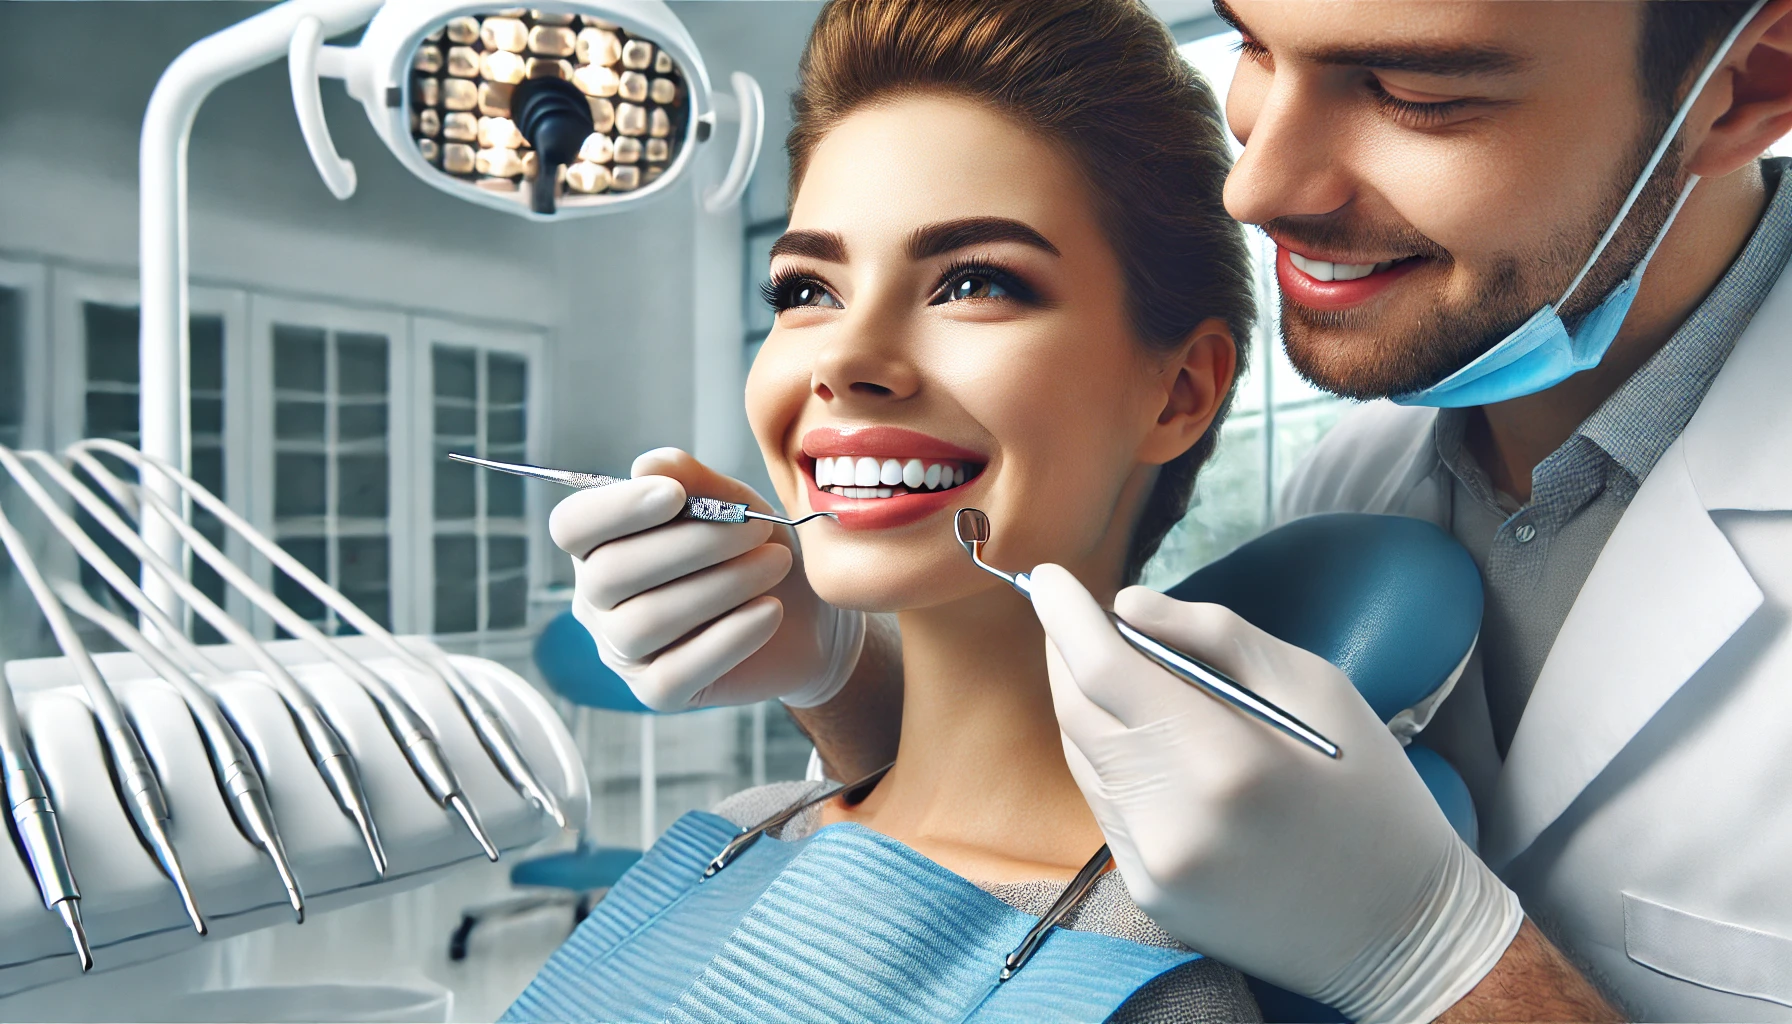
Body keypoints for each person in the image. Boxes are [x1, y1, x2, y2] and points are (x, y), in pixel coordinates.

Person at [553, 0, 1792, 1020]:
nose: (1256, 186)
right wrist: (852, 684)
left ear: (1745, 87)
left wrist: (1436, 958)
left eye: (1414, 91)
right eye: (1253, 43)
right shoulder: (1355, 493)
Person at [522, 1, 1267, 1020]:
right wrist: (834, 665)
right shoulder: (742, 830)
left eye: (973, 280)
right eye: (806, 290)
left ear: (1179, 389)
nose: (844, 359)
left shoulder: (1140, 977)